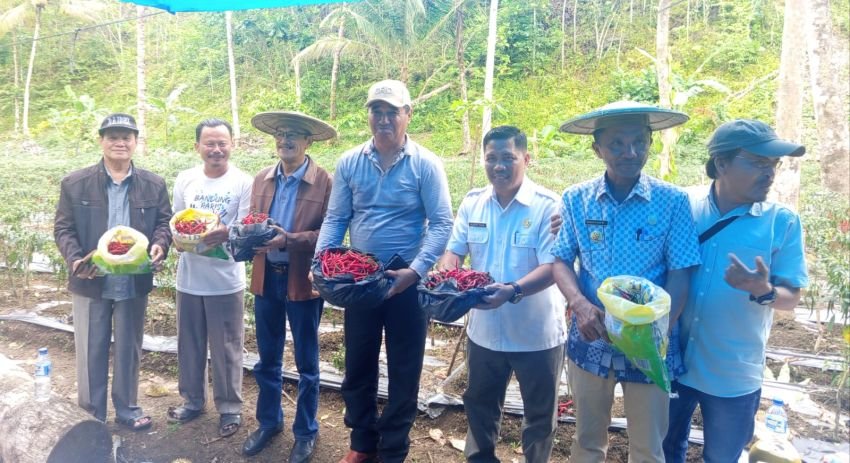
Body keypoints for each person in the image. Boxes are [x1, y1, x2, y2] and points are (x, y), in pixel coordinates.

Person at [551, 101, 701, 461]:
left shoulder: (672, 201)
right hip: (591, 333)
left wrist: (659, 330)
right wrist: (580, 305)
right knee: (587, 440)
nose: (629, 152)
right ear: (597, 149)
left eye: (638, 142)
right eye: (616, 144)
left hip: (649, 343)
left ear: (650, 143)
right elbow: (561, 260)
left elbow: (681, 272)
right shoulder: (576, 199)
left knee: (648, 445)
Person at [315, 79, 454, 463]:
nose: (384, 118)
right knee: (358, 362)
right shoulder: (350, 162)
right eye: (377, 111)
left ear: (408, 114)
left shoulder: (425, 164)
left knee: (404, 368)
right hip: (360, 278)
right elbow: (336, 218)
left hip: (407, 279)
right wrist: (321, 261)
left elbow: (442, 223)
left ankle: (392, 448)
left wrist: (416, 271)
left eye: (392, 111)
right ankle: (362, 442)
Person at [663, 120, 808, 462]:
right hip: (672, 359)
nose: (769, 173)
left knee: (722, 456)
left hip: (733, 371)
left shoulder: (782, 221)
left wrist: (764, 290)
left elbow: (792, 297)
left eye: (773, 164)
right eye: (758, 162)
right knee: (665, 448)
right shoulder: (682, 205)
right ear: (721, 163)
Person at [438, 126, 566, 463]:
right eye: (491, 158)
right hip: (484, 332)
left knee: (539, 414)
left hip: (536, 334)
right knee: (479, 405)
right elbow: (454, 251)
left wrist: (512, 291)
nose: (499, 166)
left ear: (526, 159)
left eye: (508, 158)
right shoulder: (473, 203)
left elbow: (553, 267)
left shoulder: (547, 206)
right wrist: (449, 272)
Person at [54, 113, 171, 431]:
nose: (120, 142)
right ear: (101, 141)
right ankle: (91, 414)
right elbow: (63, 228)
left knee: (129, 347)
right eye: (112, 136)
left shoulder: (153, 184)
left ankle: (127, 408)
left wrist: (160, 244)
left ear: (136, 142)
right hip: (91, 278)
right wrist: (76, 260)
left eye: (126, 137)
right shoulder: (75, 183)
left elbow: (163, 223)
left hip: (133, 279)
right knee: (91, 347)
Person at [241, 111, 335, 461]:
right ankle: (269, 422)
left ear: (309, 141)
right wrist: (246, 237)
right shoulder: (262, 179)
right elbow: (252, 221)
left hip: (302, 281)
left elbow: (330, 233)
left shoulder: (324, 182)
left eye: (294, 134)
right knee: (267, 358)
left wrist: (289, 240)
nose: (286, 140)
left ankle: (306, 431)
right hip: (266, 277)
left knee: (307, 362)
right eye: (281, 133)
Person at [166, 119, 252, 438]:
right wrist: (177, 239)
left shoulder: (243, 182)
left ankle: (229, 407)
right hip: (190, 277)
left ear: (232, 145)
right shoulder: (186, 179)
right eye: (209, 143)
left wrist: (227, 232)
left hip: (226, 279)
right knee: (189, 343)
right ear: (197, 147)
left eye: (222, 143)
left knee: (227, 346)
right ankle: (192, 400)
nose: (216, 149)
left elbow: (246, 228)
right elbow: (176, 220)